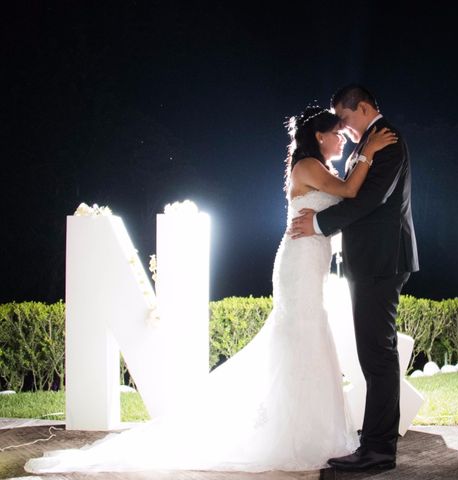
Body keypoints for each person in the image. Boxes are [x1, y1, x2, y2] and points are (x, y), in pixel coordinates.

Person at [23, 105, 397, 474]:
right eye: (337, 134)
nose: (342, 141)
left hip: (310, 260)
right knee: (302, 337)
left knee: (308, 339)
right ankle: (294, 433)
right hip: (299, 264)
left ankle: (308, 429)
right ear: (320, 136)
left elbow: (344, 196)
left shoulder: (320, 167)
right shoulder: (309, 167)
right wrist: (368, 151)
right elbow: (350, 191)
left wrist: (359, 159)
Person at [289, 84, 419, 472]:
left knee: (377, 355)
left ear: (362, 108)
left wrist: (320, 223)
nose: (342, 129)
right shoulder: (369, 144)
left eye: (344, 119)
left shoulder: (387, 139)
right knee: (374, 354)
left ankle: (378, 451)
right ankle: (375, 444)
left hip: (382, 261)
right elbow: (354, 195)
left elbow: (369, 199)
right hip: (370, 261)